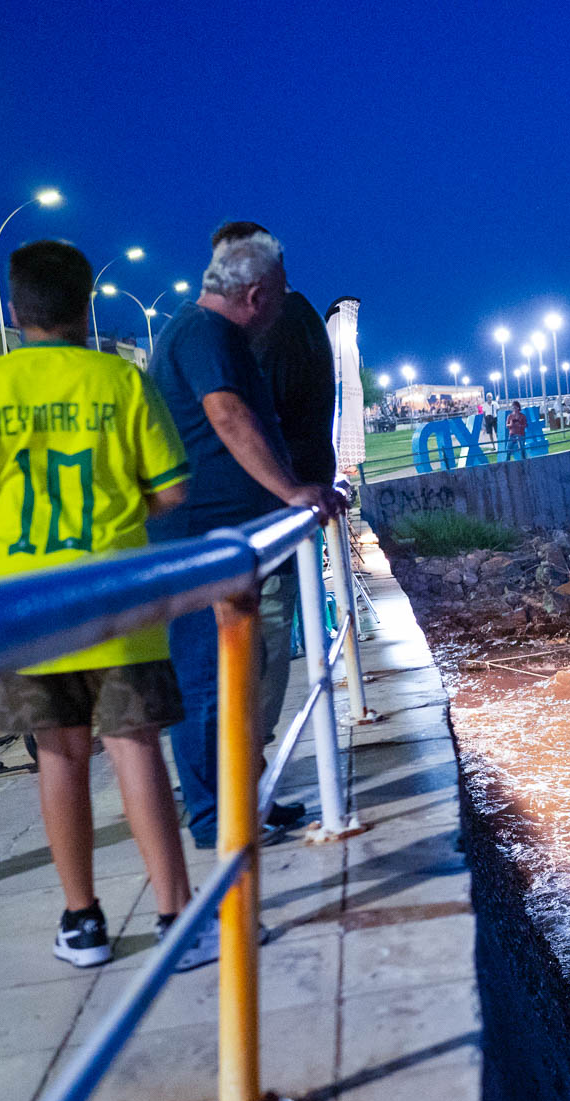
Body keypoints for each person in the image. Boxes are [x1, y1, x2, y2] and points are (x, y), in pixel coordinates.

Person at [0, 239, 216, 971]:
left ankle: (82, 920)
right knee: (137, 747)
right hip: (115, 598)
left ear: (17, 309)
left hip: (26, 605)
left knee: (57, 756)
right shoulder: (118, 379)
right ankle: (176, 917)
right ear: (85, 306)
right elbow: (173, 488)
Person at [149, 230, 346, 852]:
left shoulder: (205, 333)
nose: (285, 307)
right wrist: (292, 491)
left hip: (227, 537)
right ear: (256, 294)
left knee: (234, 675)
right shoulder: (206, 335)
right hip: (204, 539)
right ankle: (216, 818)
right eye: (281, 295)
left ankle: (244, 794)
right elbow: (228, 415)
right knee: (209, 683)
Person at [208, 220, 334, 761]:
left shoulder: (274, 327)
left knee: (264, 634)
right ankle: (241, 773)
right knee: (262, 636)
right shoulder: (298, 318)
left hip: (270, 507)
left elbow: (255, 418)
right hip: (288, 499)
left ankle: (242, 776)